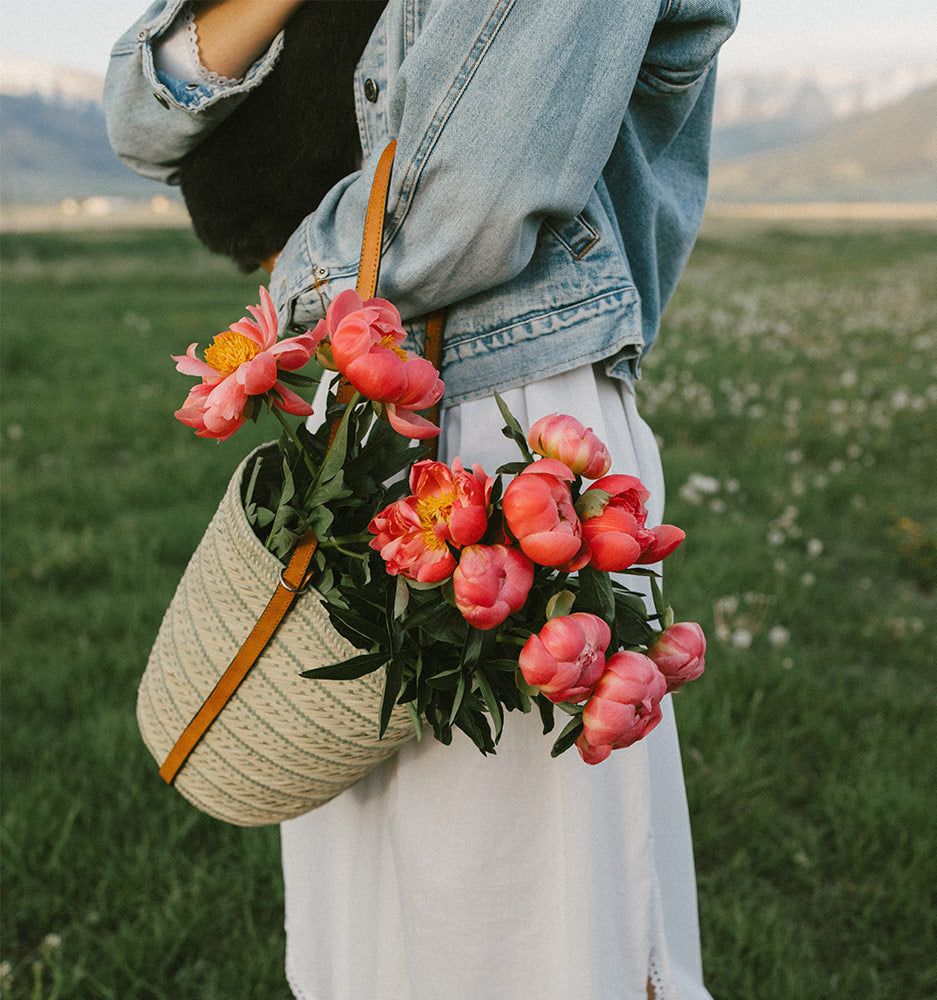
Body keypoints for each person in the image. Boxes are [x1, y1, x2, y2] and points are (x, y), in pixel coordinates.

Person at [104, 2, 739, 998]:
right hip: (377, 376)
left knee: (515, 923)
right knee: (374, 920)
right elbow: (140, 113)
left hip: (510, 415)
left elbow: (470, 202)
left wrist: (278, 308)